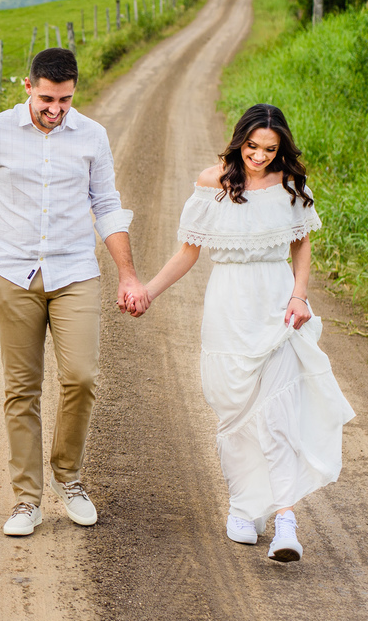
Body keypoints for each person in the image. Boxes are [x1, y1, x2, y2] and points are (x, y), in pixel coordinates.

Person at [136, 103, 355, 562]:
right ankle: (244, 506)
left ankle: (286, 523)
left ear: (281, 150)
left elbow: (301, 245)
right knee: (234, 411)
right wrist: (149, 292)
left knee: (277, 412)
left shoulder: (292, 186)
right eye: (252, 146)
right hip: (229, 304)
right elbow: (187, 253)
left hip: (277, 304)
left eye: (269, 149)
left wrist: (300, 295)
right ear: (239, 141)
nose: (259, 156)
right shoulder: (212, 182)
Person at [0, 47, 148, 537]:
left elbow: (107, 203)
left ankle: (68, 478)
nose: (57, 109)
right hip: (11, 276)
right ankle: (26, 501)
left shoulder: (92, 135)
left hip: (75, 271)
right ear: (29, 88)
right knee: (22, 389)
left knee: (81, 377)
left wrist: (127, 273)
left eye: (66, 100)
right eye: (48, 99)